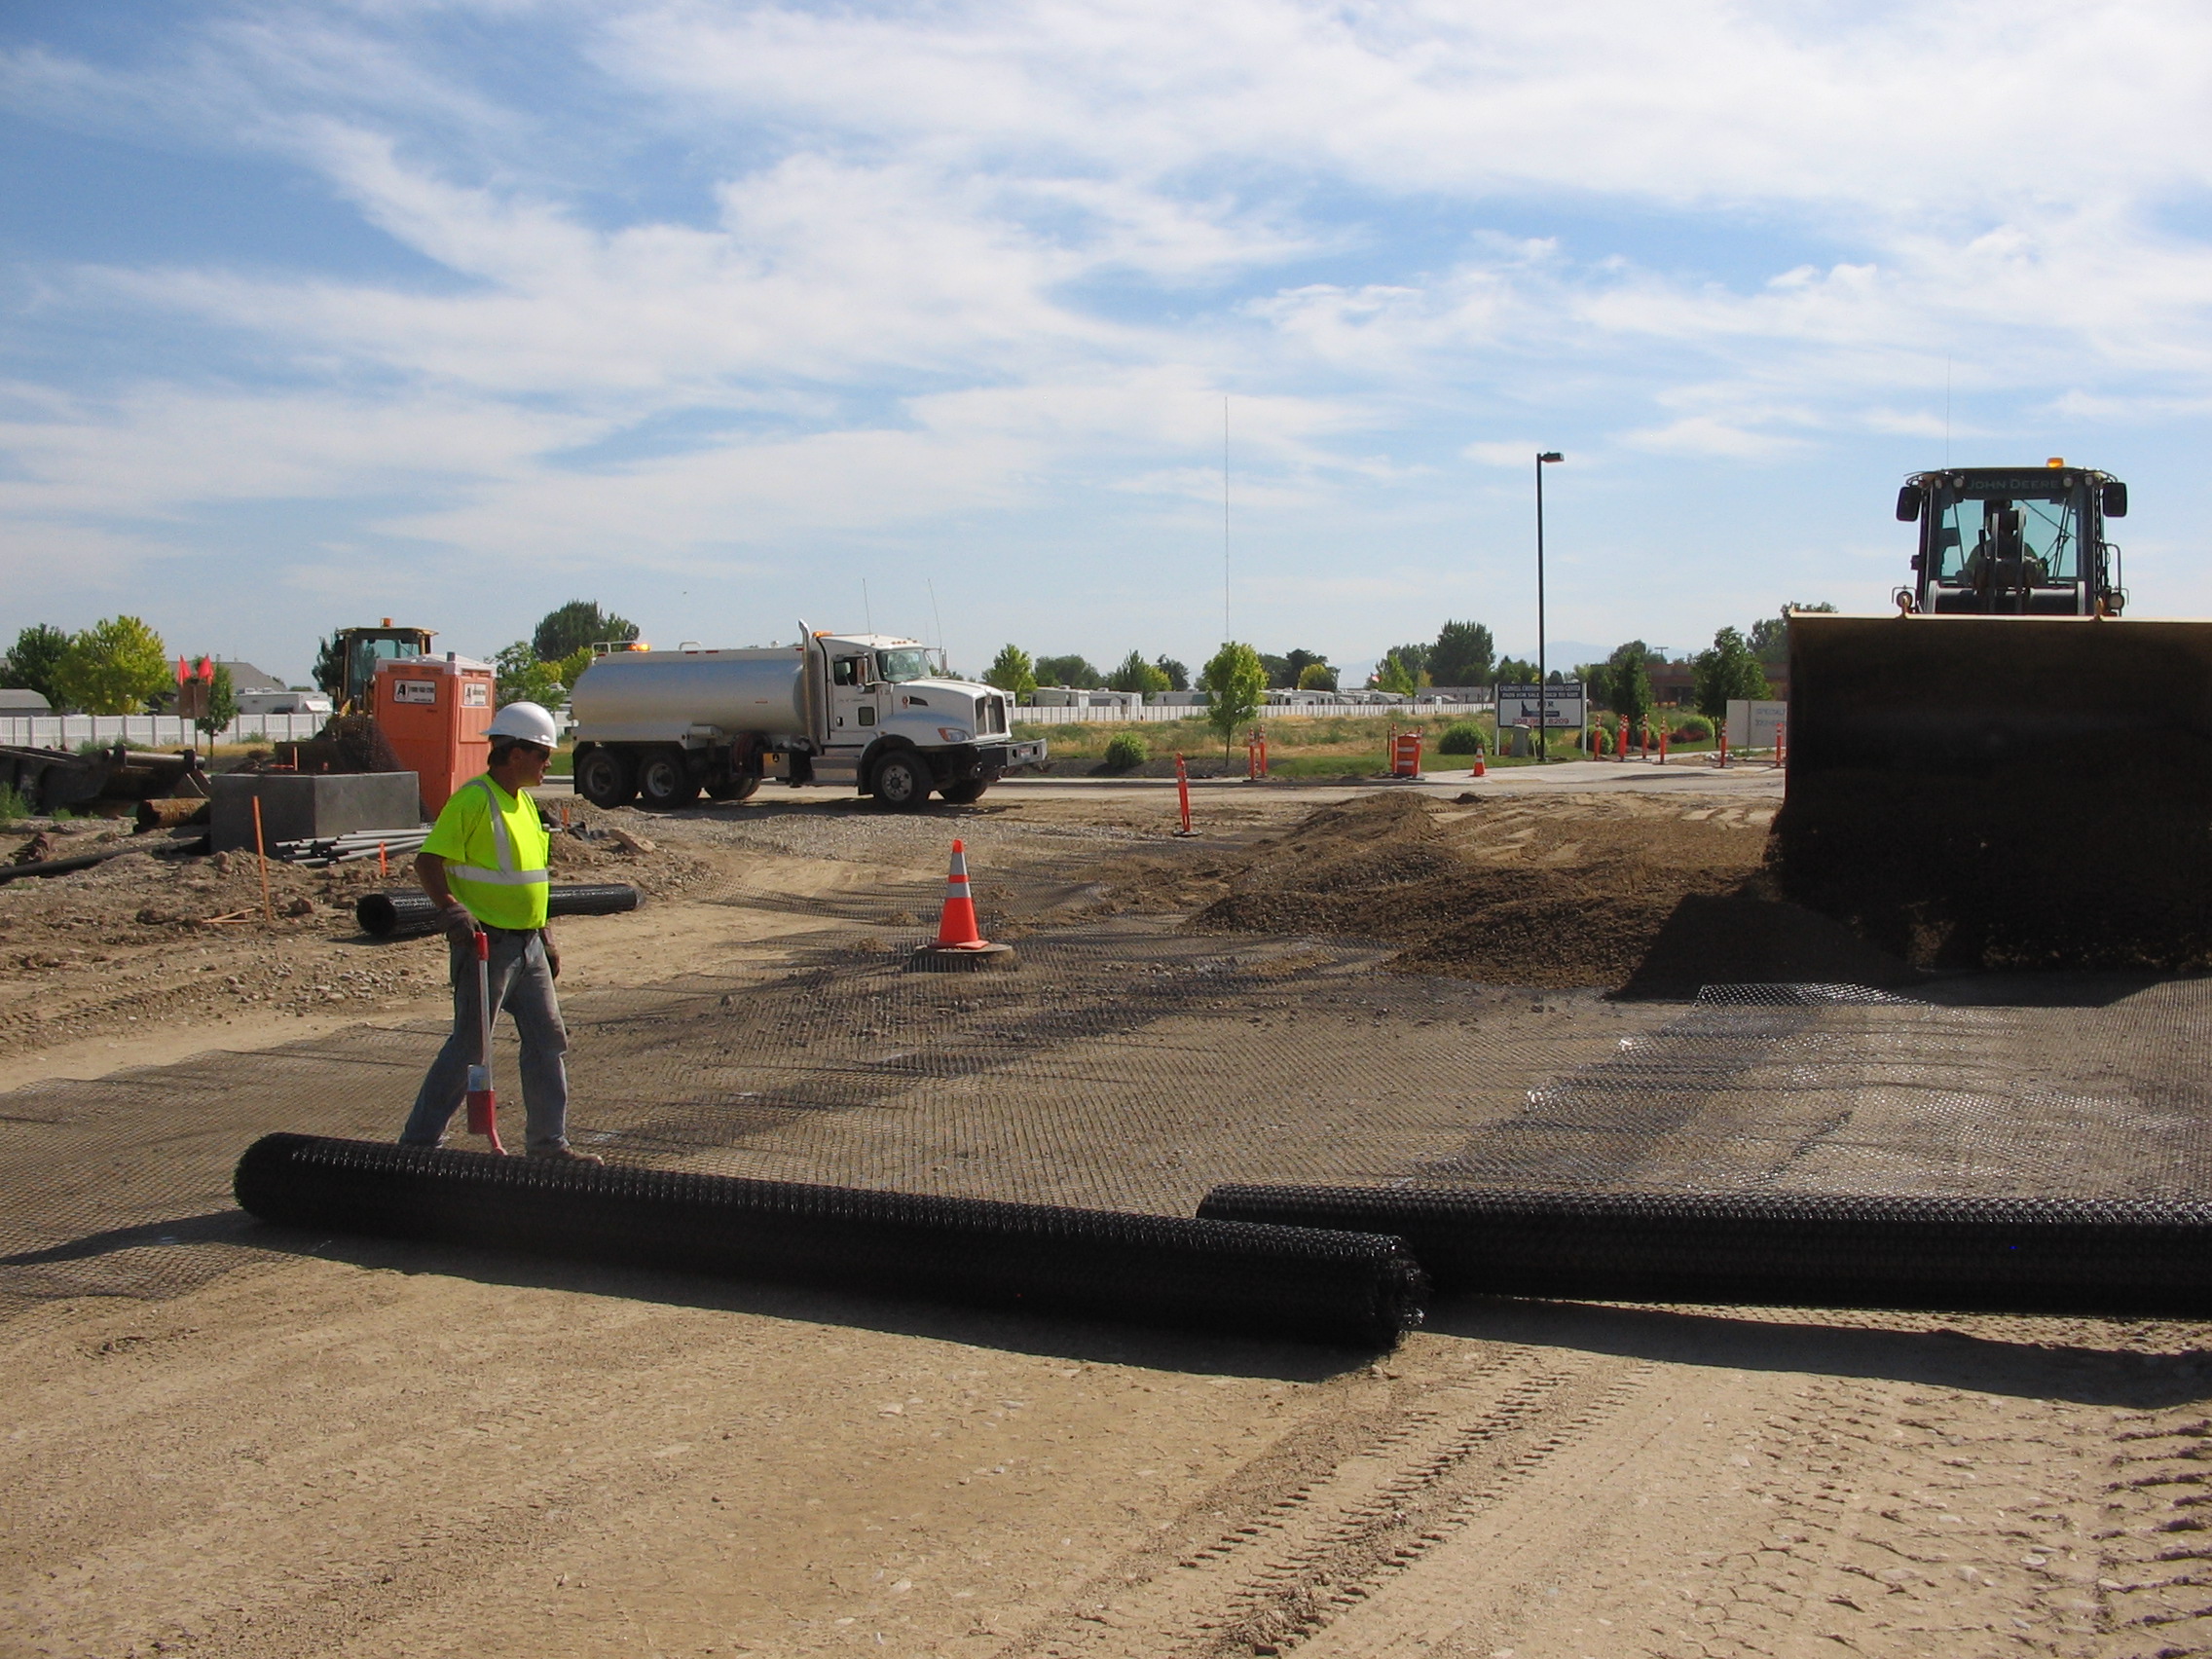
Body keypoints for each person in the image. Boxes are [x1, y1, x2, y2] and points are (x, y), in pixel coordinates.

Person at [398, 700, 602, 1161]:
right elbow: (428, 862)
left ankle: (548, 1146)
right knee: (471, 1047)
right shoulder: (473, 800)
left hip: (527, 946)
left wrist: (545, 935)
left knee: (548, 1042)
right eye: (542, 754)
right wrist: (451, 909)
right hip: (486, 945)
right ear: (515, 755)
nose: (549, 762)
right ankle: (418, 1144)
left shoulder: (526, 804)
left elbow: (533, 876)